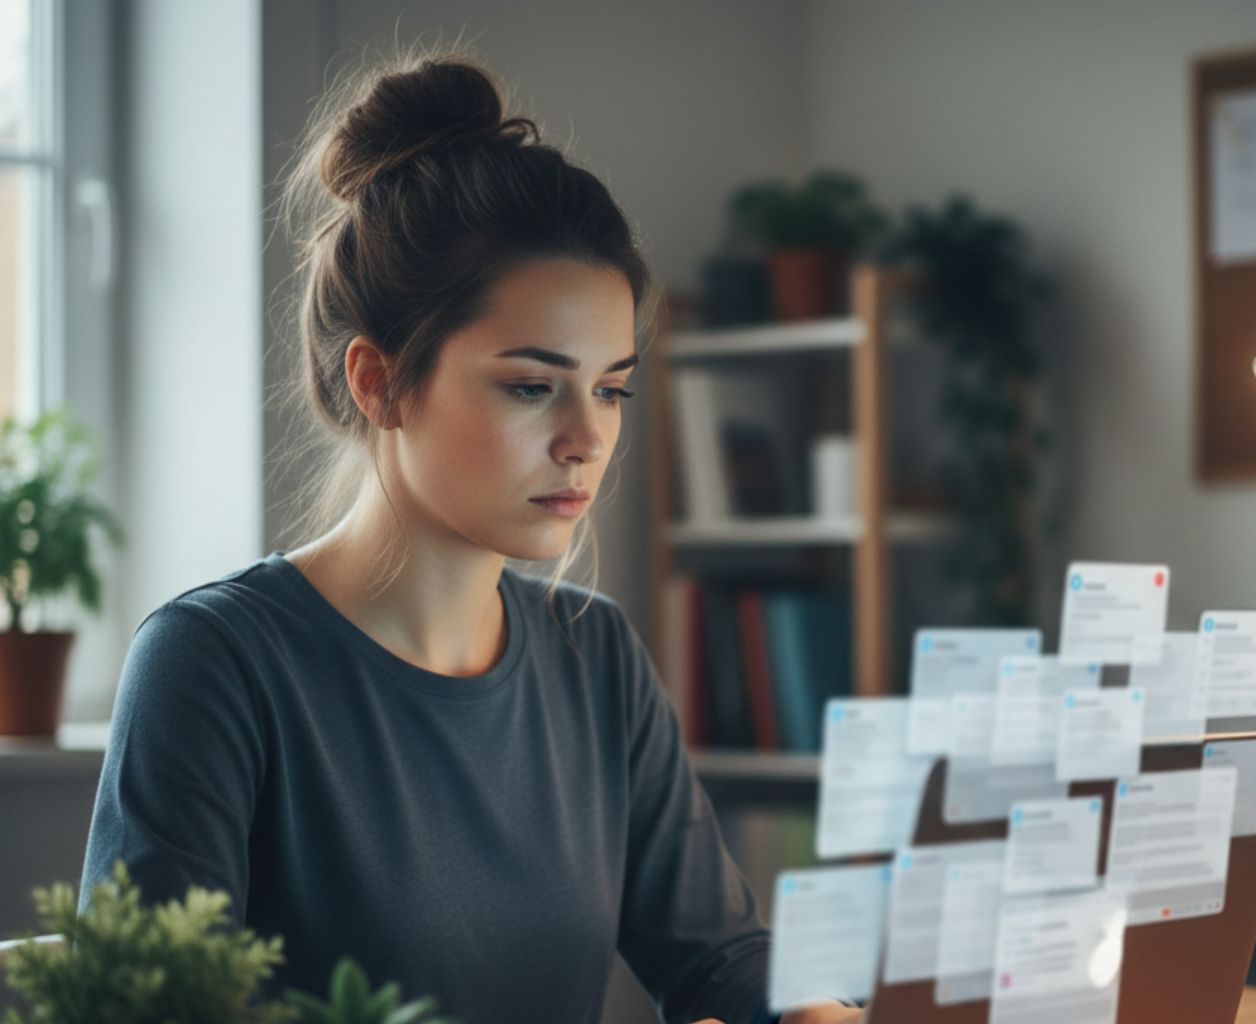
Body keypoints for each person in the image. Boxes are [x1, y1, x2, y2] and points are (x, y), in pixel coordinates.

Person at [77, 47, 863, 1024]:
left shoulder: (595, 655)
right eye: (532, 386)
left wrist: (816, 1010)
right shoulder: (216, 664)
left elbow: (721, 959)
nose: (587, 440)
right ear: (378, 381)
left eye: (611, 388)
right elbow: (143, 1010)